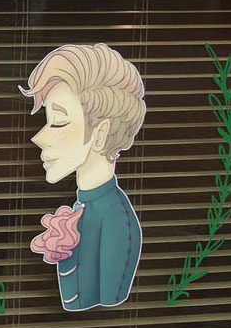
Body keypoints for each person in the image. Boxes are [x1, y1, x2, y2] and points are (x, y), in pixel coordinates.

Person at [21, 43, 147, 311]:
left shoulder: (115, 220)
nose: (39, 137)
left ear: (101, 133)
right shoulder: (84, 207)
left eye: (59, 121)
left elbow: (108, 314)